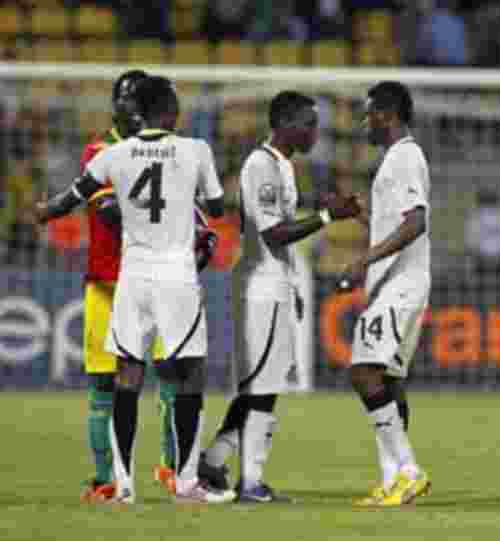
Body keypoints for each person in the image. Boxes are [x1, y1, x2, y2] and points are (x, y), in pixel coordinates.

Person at [35, 76, 232, 504]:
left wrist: (46, 210)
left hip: (133, 277)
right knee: (188, 373)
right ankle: (186, 482)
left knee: (126, 375)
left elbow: (73, 197)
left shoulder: (114, 154)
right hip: (176, 276)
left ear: (137, 112)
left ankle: (123, 486)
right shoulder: (196, 150)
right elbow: (216, 209)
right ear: (172, 111)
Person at [199, 91, 360, 502]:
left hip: (276, 283)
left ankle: (215, 461)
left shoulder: (283, 167)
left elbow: (280, 239)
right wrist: (327, 217)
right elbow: (272, 234)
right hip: (260, 286)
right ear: (286, 124)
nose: (314, 132)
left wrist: (293, 284)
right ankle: (250, 482)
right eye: (308, 123)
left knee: (260, 385)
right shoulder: (262, 166)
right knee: (263, 386)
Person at [43, 70, 180, 501]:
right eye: (126, 98)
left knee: (172, 379)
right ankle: (105, 478)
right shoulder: (99, 151)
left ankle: (173, 470)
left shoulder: (167, 151)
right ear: (116, 104)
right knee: (105, 385)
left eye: (141, 98)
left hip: (160, 279)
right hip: (108, 281)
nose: (134, 105)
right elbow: (106, 213)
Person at [337, 81, 432, 507]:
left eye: (369, 113)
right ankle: (394, 480)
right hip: (399, 281)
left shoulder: (405, 157)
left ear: (388, 115)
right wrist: (363, 217)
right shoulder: (396, 159)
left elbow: (416, 223)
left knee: (364, 371)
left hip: (400, 283)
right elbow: (395, 223)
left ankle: (409, 471)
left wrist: (364, 259)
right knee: (389, 380)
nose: (364, 122)